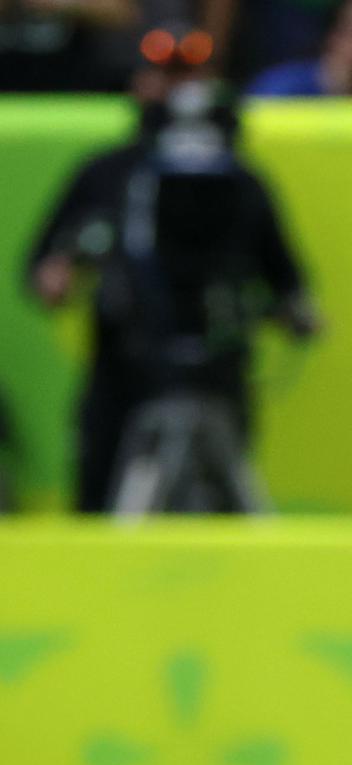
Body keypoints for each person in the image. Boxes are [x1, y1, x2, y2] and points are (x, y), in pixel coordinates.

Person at [24, 58, 313, 511]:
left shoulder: (242, 183)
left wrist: (292, 310)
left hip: (220, 368)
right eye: (163, 73)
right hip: (127, 367)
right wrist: (61, 273)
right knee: (101, 496)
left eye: (190, 74)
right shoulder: (107, 174)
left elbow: (284, 275)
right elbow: (43, 268)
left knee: (218, 502)